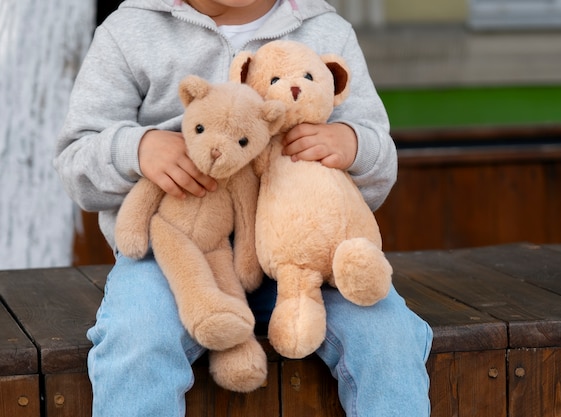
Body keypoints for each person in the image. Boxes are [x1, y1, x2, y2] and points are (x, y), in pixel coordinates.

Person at [54, 0, 433, 416]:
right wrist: (137, 149)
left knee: (388, 335)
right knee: (138, 336)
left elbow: (378, 161)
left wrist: (353, 144)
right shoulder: (130, 30)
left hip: (304, 258)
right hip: (173, 257)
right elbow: (76, 162)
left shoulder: (326, 30)